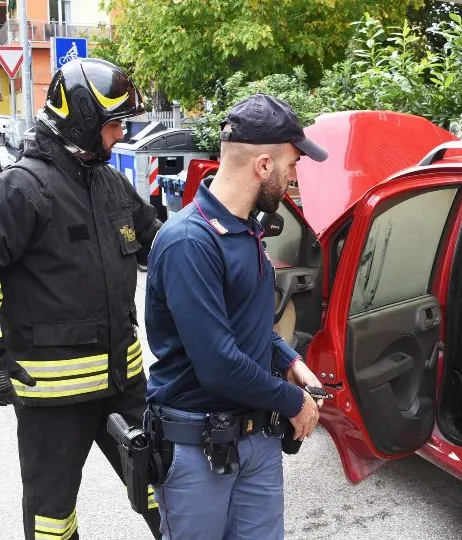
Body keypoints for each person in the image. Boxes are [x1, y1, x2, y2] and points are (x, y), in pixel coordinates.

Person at [0, 58, 162, 540]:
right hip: (54, 399)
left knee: (163, 489)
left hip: (124, 384)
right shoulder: (25, 188)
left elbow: (161, 245)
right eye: (112, 125)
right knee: (52, 517)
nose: (120, 136)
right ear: (83, 120)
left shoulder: (110, 183)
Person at [144, 93, 328, 539]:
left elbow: (248, 323)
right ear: (263, 165)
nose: (294, 176)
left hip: (257, 439)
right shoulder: (190, 242)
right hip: (197, 446)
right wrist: (294, 402)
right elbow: (219, 364)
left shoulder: (245, 231)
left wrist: (290, 360)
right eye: (292, 165)